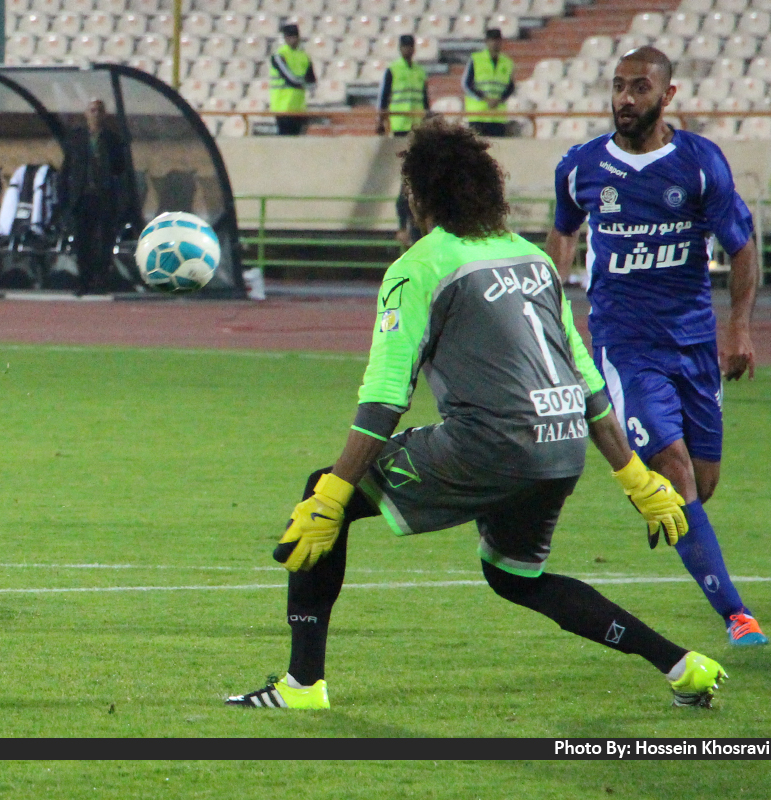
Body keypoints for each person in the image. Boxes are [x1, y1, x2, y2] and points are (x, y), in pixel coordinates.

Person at [227, 120, 727, 711]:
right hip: (563, 444)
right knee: (514, 577)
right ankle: (680, 664)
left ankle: (302, 686)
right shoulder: (533, 260)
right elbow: (586, 377)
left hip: (492, 442)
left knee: (321, 488)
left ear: (418, 195)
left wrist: (336, 491)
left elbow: (386, 396)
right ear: (490, 190)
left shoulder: (420, 265)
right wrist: (635, 478)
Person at [544, 47, 767, 647]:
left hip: (693, 344)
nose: (624, 99)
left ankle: (665, 504)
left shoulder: (698, 163)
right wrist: (552, 303)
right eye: (618, 86)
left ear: (667, 96)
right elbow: (564, 232)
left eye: (639, 88)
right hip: (625, 344)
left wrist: (739, 327)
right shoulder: (582, 166)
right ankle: (738, 617)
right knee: (673, 469)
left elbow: (741, 245)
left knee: (701, 479)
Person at [60, 98, 127, 295]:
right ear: (86, 113)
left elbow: (120, 170)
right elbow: (67, 168)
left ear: (104, 114)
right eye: (92, 110)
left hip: (104, 197)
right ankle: (84, 281)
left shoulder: (112, 140)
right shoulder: (76, 138)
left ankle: (101, 280)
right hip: (82, 197)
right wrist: (64, 196)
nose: (95, 114)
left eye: (99, 110)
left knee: (104, 241)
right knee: (83, 242)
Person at [377, 34, 429, 248]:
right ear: (400, 48)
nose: (408, 50)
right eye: (405, 46)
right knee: (405, 181)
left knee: (411, 181)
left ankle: (410, 229)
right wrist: (381, 122)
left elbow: (425, 101)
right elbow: (384, 97)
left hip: (415, 129)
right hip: (399, 128)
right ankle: (405, 227)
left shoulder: (420, 72)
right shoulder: (393, 69)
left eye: (410, 46)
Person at [462, 29, 515, 137]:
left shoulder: (508, 63)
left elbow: (510, 87)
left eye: (497, 40)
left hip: (497, 116)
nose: (495, 43)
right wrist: (486, 99)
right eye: (492, 40)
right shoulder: (476, 59)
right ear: (486, 42)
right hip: (478, 115)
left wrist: (499, 99)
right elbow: (466, 84)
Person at [270, 23, 316, 137]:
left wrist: (306, 83)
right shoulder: (279, 55)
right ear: (284, 38)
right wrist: (303, 82)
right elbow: (290, 79)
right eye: (288, 37)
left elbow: (312, 80)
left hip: (298, 106)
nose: (291, 39)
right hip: (282, 106)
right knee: (284, 138)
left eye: (294, 36)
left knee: (296, 140)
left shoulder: (304, 56)